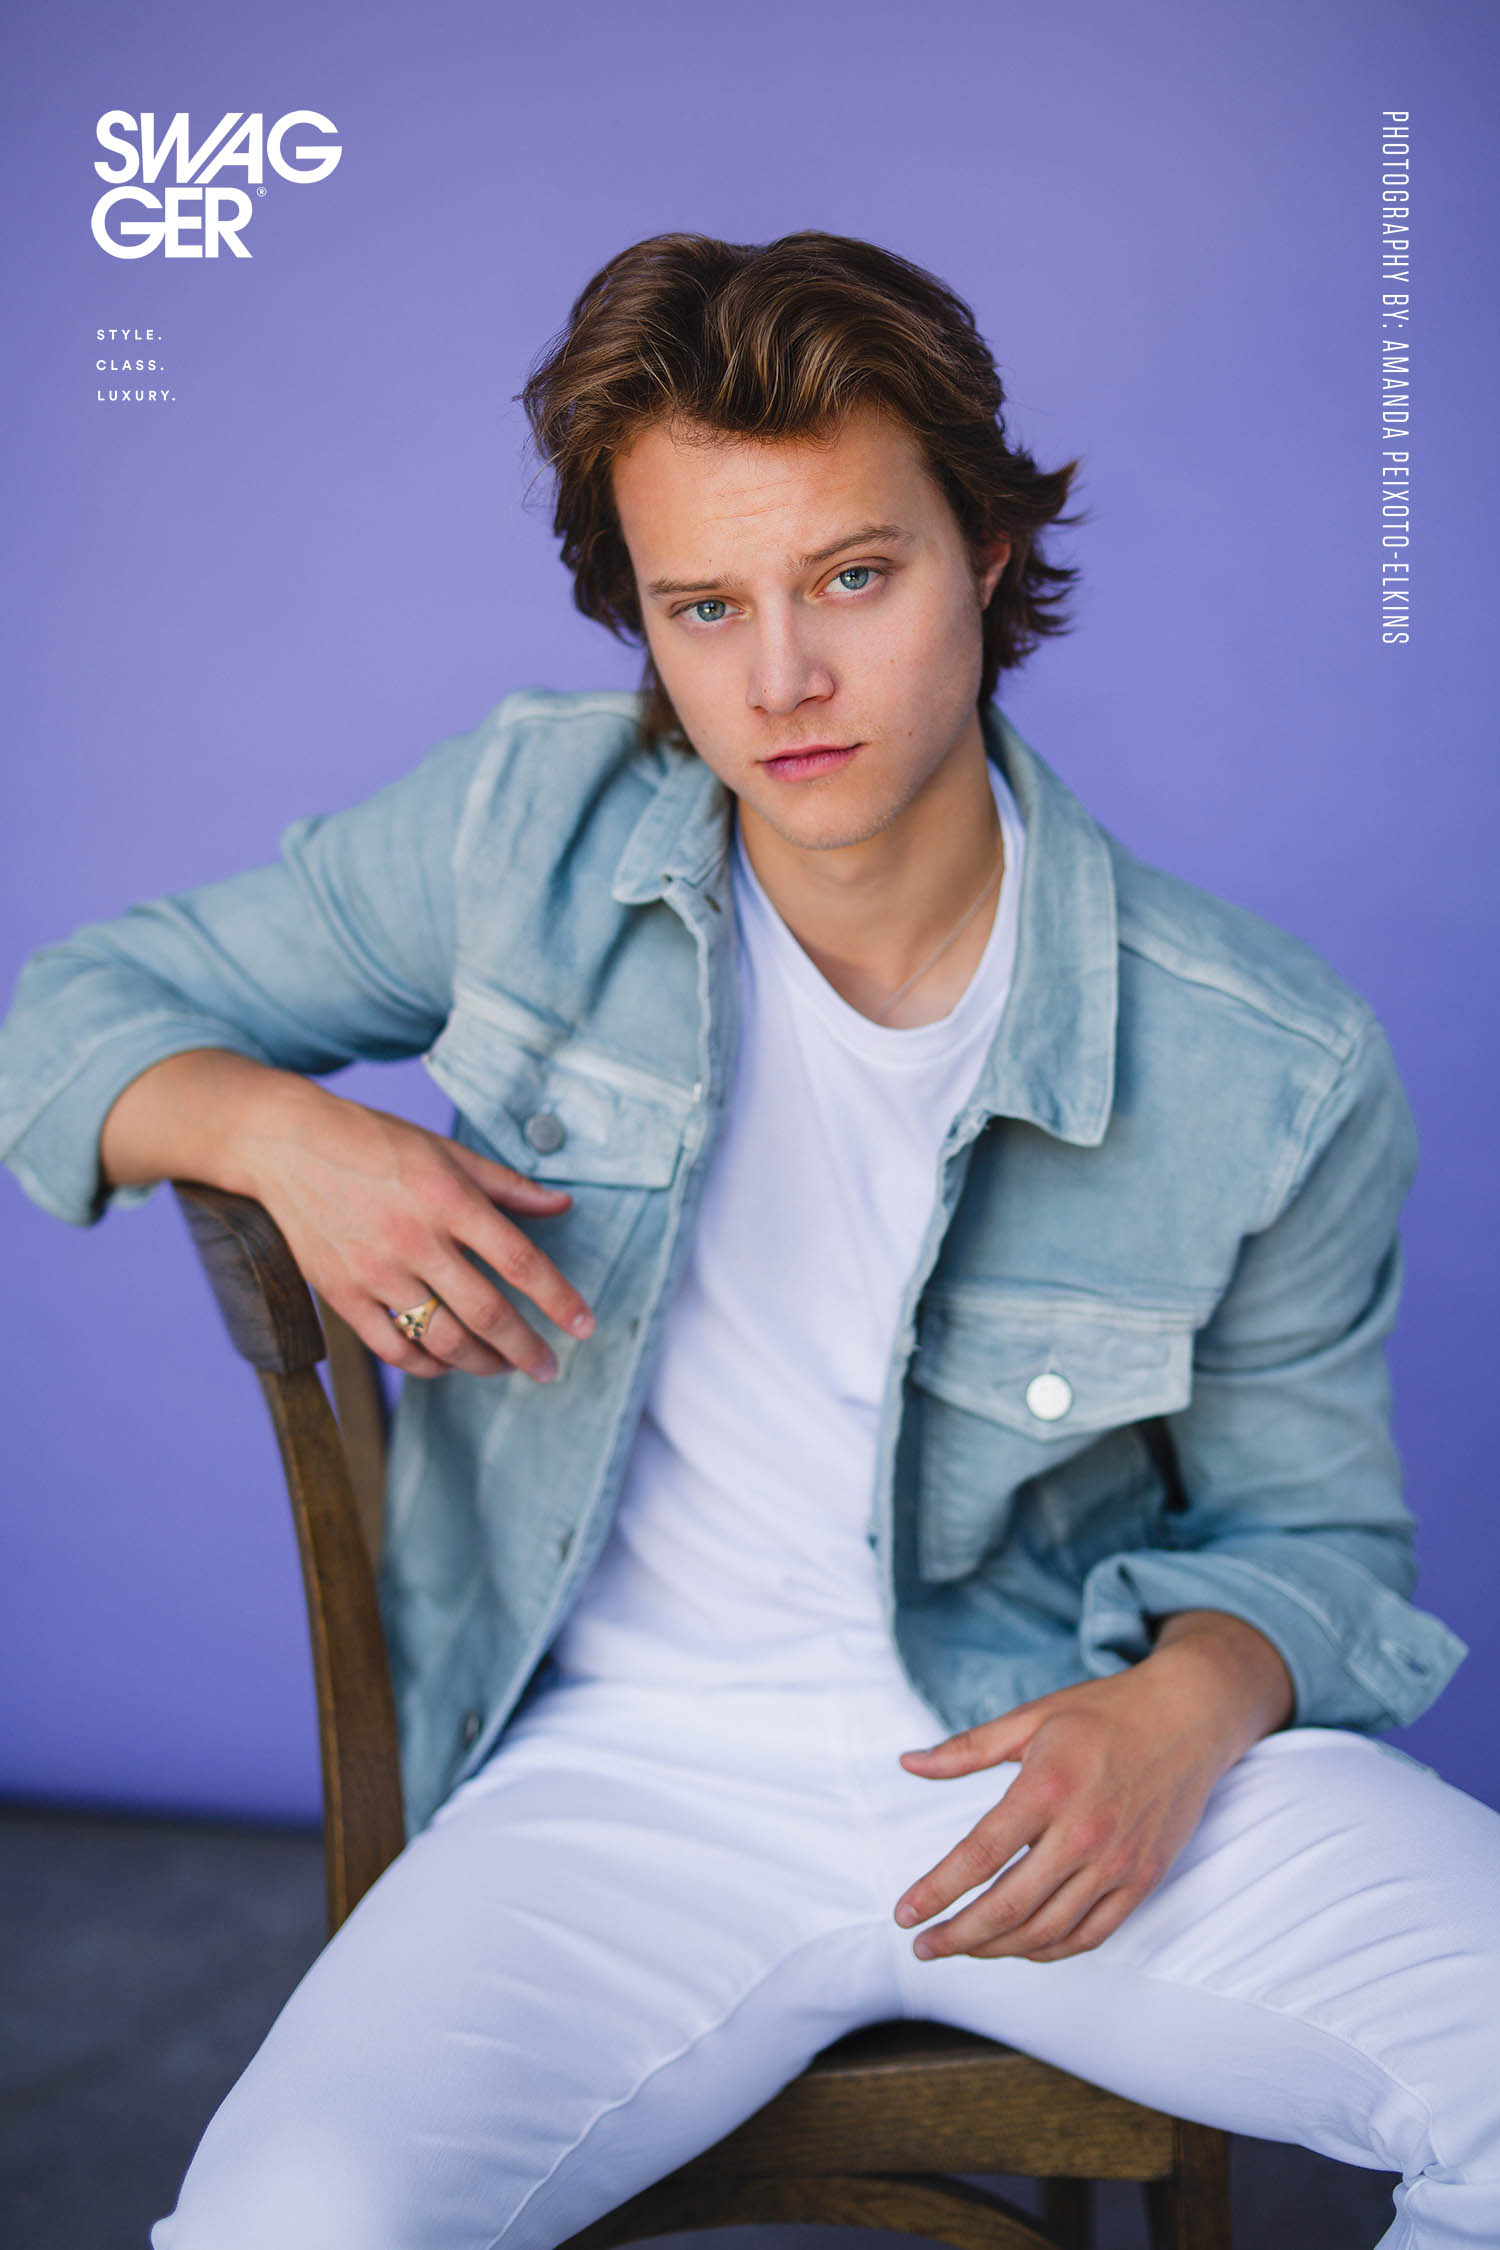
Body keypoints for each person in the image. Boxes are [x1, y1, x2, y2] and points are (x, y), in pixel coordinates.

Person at [1, 230, 1496, 2250]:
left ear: (985, 554)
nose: (779, 680)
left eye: (852, 578)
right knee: (292, 2225)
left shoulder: (1269, 1056)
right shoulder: (524, 827)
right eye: (702, 607)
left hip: (1046, 1755)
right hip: (606, 1795)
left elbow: (1318, 1539)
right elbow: (62, 1017)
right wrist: (280, 1134)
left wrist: (1187, 1707)